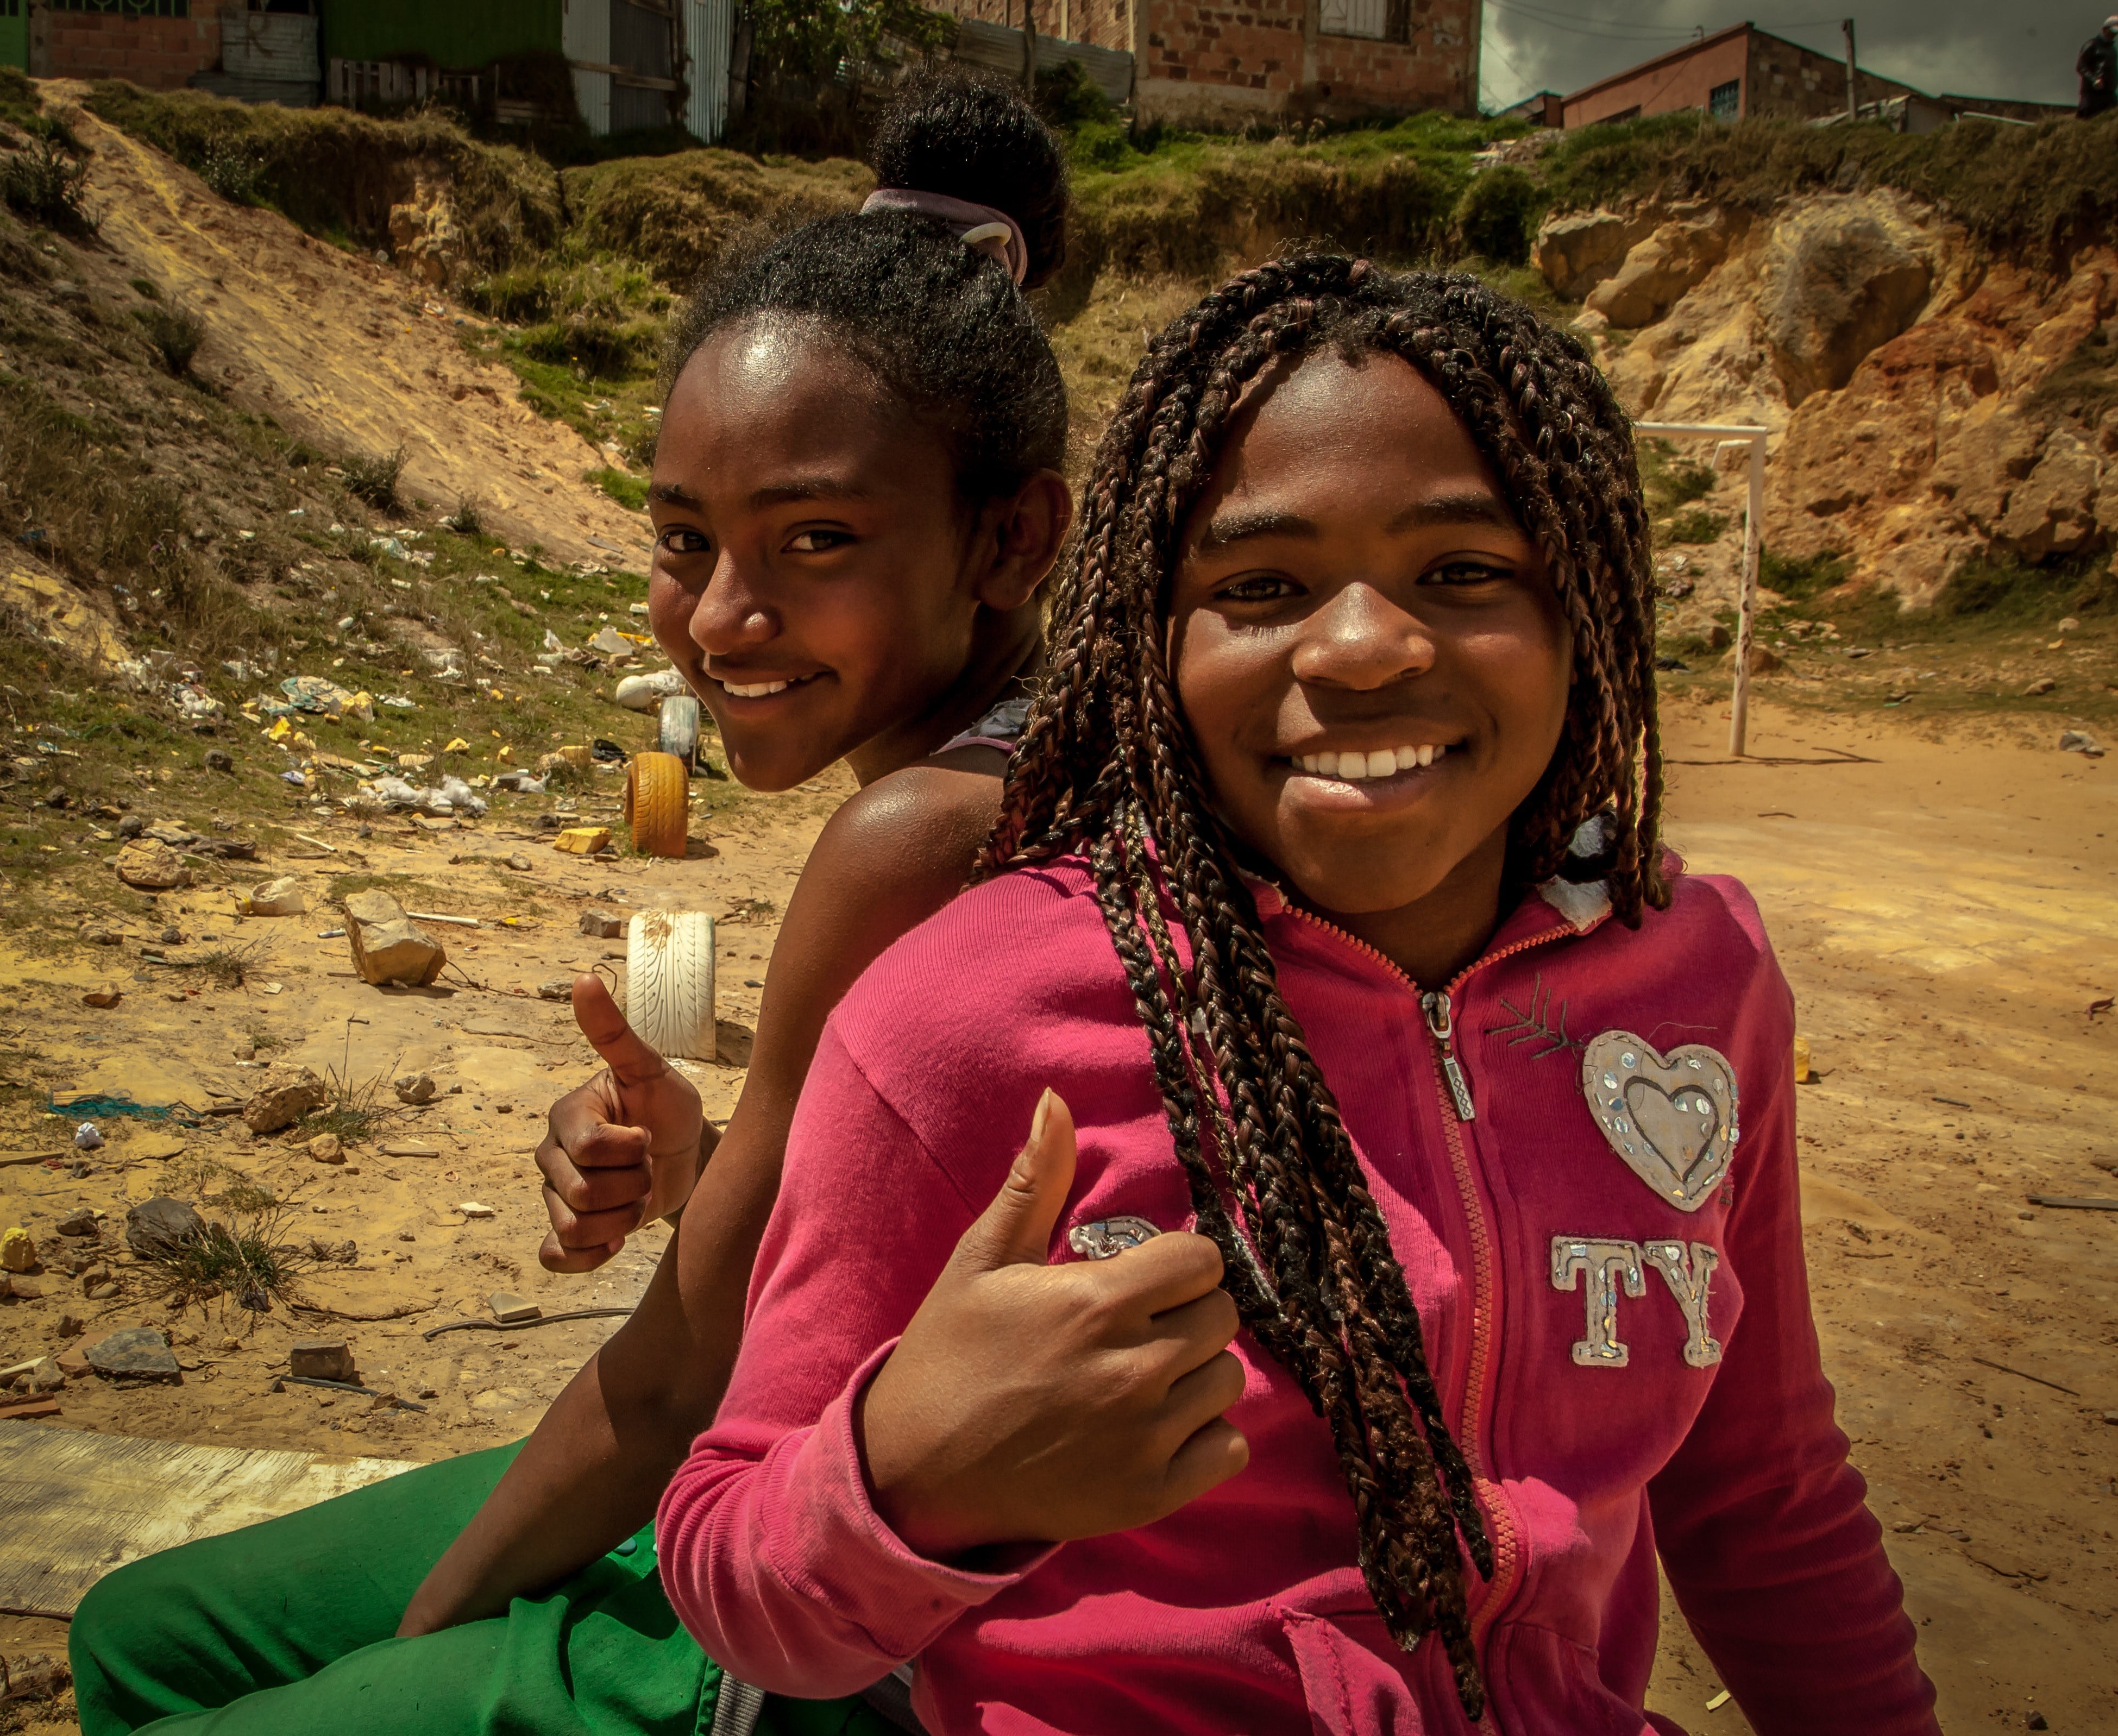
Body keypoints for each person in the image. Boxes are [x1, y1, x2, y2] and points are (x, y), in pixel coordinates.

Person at [657, 256, 1941, 1733]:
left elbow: (1761, 1496)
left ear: (1583, 603)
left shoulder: (1695, 978)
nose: (1357, 647)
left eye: (1460, 571)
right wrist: (910, 1474)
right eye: (1259, 587)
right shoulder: (964, 1016)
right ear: (1152, 634)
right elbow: (723, 1555)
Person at [69, 69, 1076, 1736]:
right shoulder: (1021, 750)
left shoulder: (922, 831)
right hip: (824, 1463)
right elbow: (847, 1243)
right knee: (139, 1626)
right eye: (686, 540)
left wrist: (422, 1639)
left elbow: (685, 1372)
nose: (724, 620)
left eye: (813, 539)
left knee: (191, 1674)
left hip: (881, 1620)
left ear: (1007, 540)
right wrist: (707, 1166)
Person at [2077, 14, 2118, 116]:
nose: (2114, 35)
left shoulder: (2112, 49)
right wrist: (2094, 79)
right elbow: (2081, 66)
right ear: (2105, 30)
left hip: (2109, 94)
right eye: (2112, 32)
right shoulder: (2092, 45)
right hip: (2092, 95)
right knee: (2088, 120)